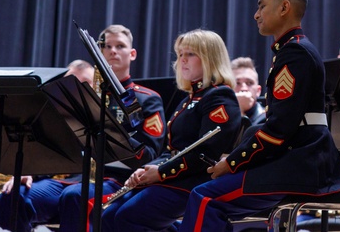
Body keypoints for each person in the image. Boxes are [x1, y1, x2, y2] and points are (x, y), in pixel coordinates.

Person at [181, 0, 340, 232]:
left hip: (301, 161)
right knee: (206, 196)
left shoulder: (294, 53)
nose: (256, 15)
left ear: (284, 8)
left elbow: (279, 129)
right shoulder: (290, 50)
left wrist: (232, 162)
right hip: (299, 156)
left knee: (205, 198)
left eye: (262, 6)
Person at [0, 25, 167, 232]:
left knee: (76, 196)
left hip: (117, 181)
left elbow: (149, 155)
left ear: (132, 54)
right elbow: (58, 143)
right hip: (74, 178)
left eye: (120, 46)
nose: (113, 51)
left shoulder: (146, 99)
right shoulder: (81, 95)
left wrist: (110, 132)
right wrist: (32, 173)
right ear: (99, 53)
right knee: (13, 196)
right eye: (107, 46)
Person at [101, 29, 242, 232]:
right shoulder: (187, 101)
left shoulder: (220, 96)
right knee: (109, 216)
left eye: (190, 54)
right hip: (174, 177)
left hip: (196, 181)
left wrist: (161, 172)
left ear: (210, 58)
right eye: (180, 54)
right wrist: (146, 169)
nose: (182, 60)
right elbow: (171, 150)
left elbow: (205, 153)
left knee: (128, 216)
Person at [231, 56, 267, 127]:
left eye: (249, 83)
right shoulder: (220, 115)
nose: (244, 88)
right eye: (237, 83)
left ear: (258, 91)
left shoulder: (266, 119)